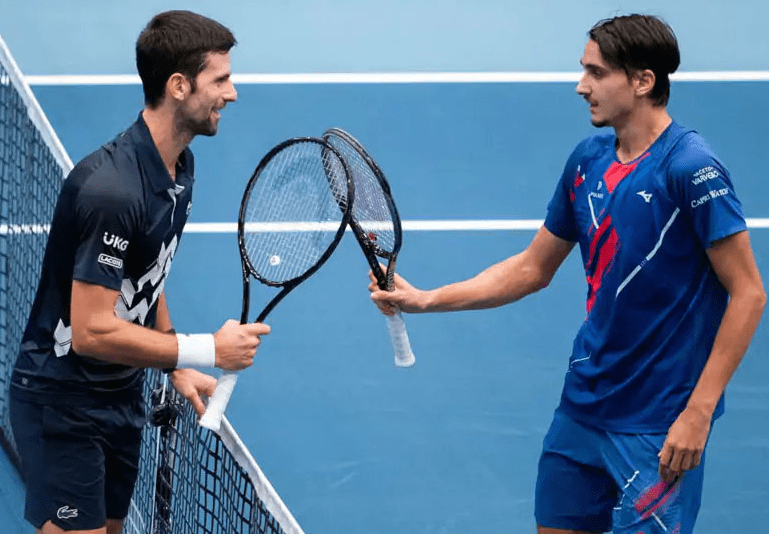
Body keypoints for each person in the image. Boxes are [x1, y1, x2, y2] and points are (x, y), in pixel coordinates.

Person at [369, 14, 765, 534]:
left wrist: (698, 412)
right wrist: (425, 300)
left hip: (658, 421)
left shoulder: (692, 169)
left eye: (596, 74)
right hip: (583, 406)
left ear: (643, 81)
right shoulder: (588, 160)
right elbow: (533, 268)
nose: (581, 86)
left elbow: (749, 293)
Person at [9, 10, 270, 534]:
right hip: (62, 402)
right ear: (179, 86)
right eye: (220, 79)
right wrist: (204, 351)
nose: (233, 92)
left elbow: (149, 273)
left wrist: (170, 359)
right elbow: (89, 332)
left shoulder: (179, 170)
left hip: (119, 398)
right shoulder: (113, 191)